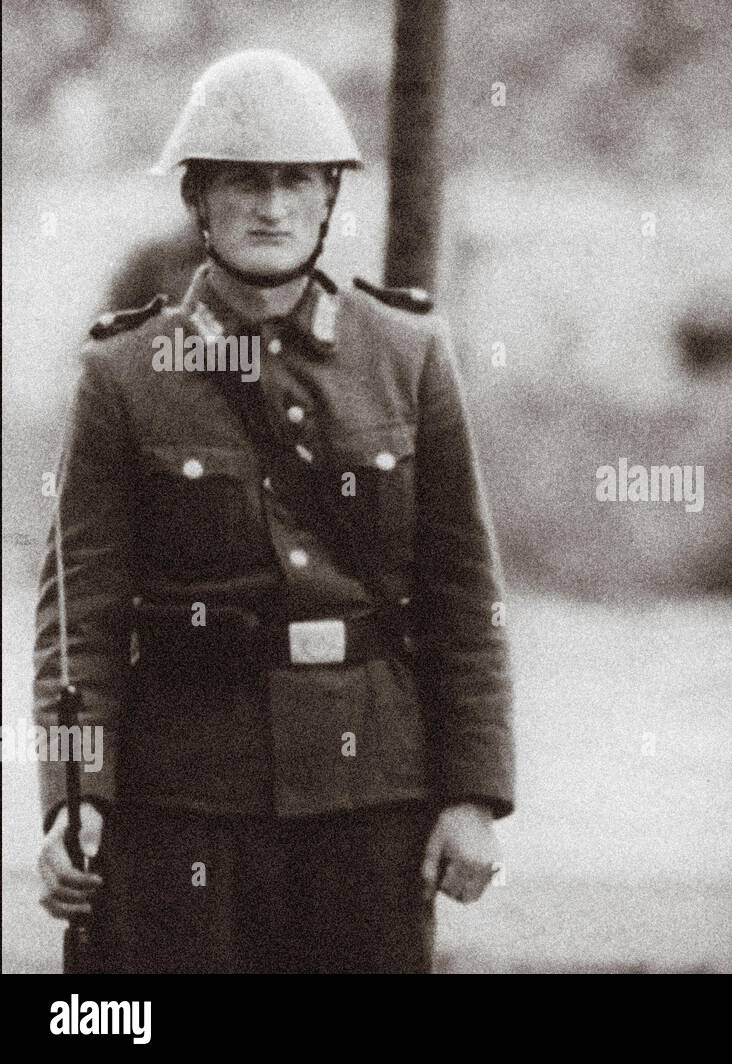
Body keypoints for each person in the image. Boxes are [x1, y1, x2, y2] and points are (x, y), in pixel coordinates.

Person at [34, 49, 515, 973]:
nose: (272, 207)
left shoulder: (407, 354)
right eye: (243, 182)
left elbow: (465, 598)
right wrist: (75, 794)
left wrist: (474, 794)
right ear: (197, 201)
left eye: (297, 181)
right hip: (182, 798)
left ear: (331, 198)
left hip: (371, 796)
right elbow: (80, 614)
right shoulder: (124, 373)